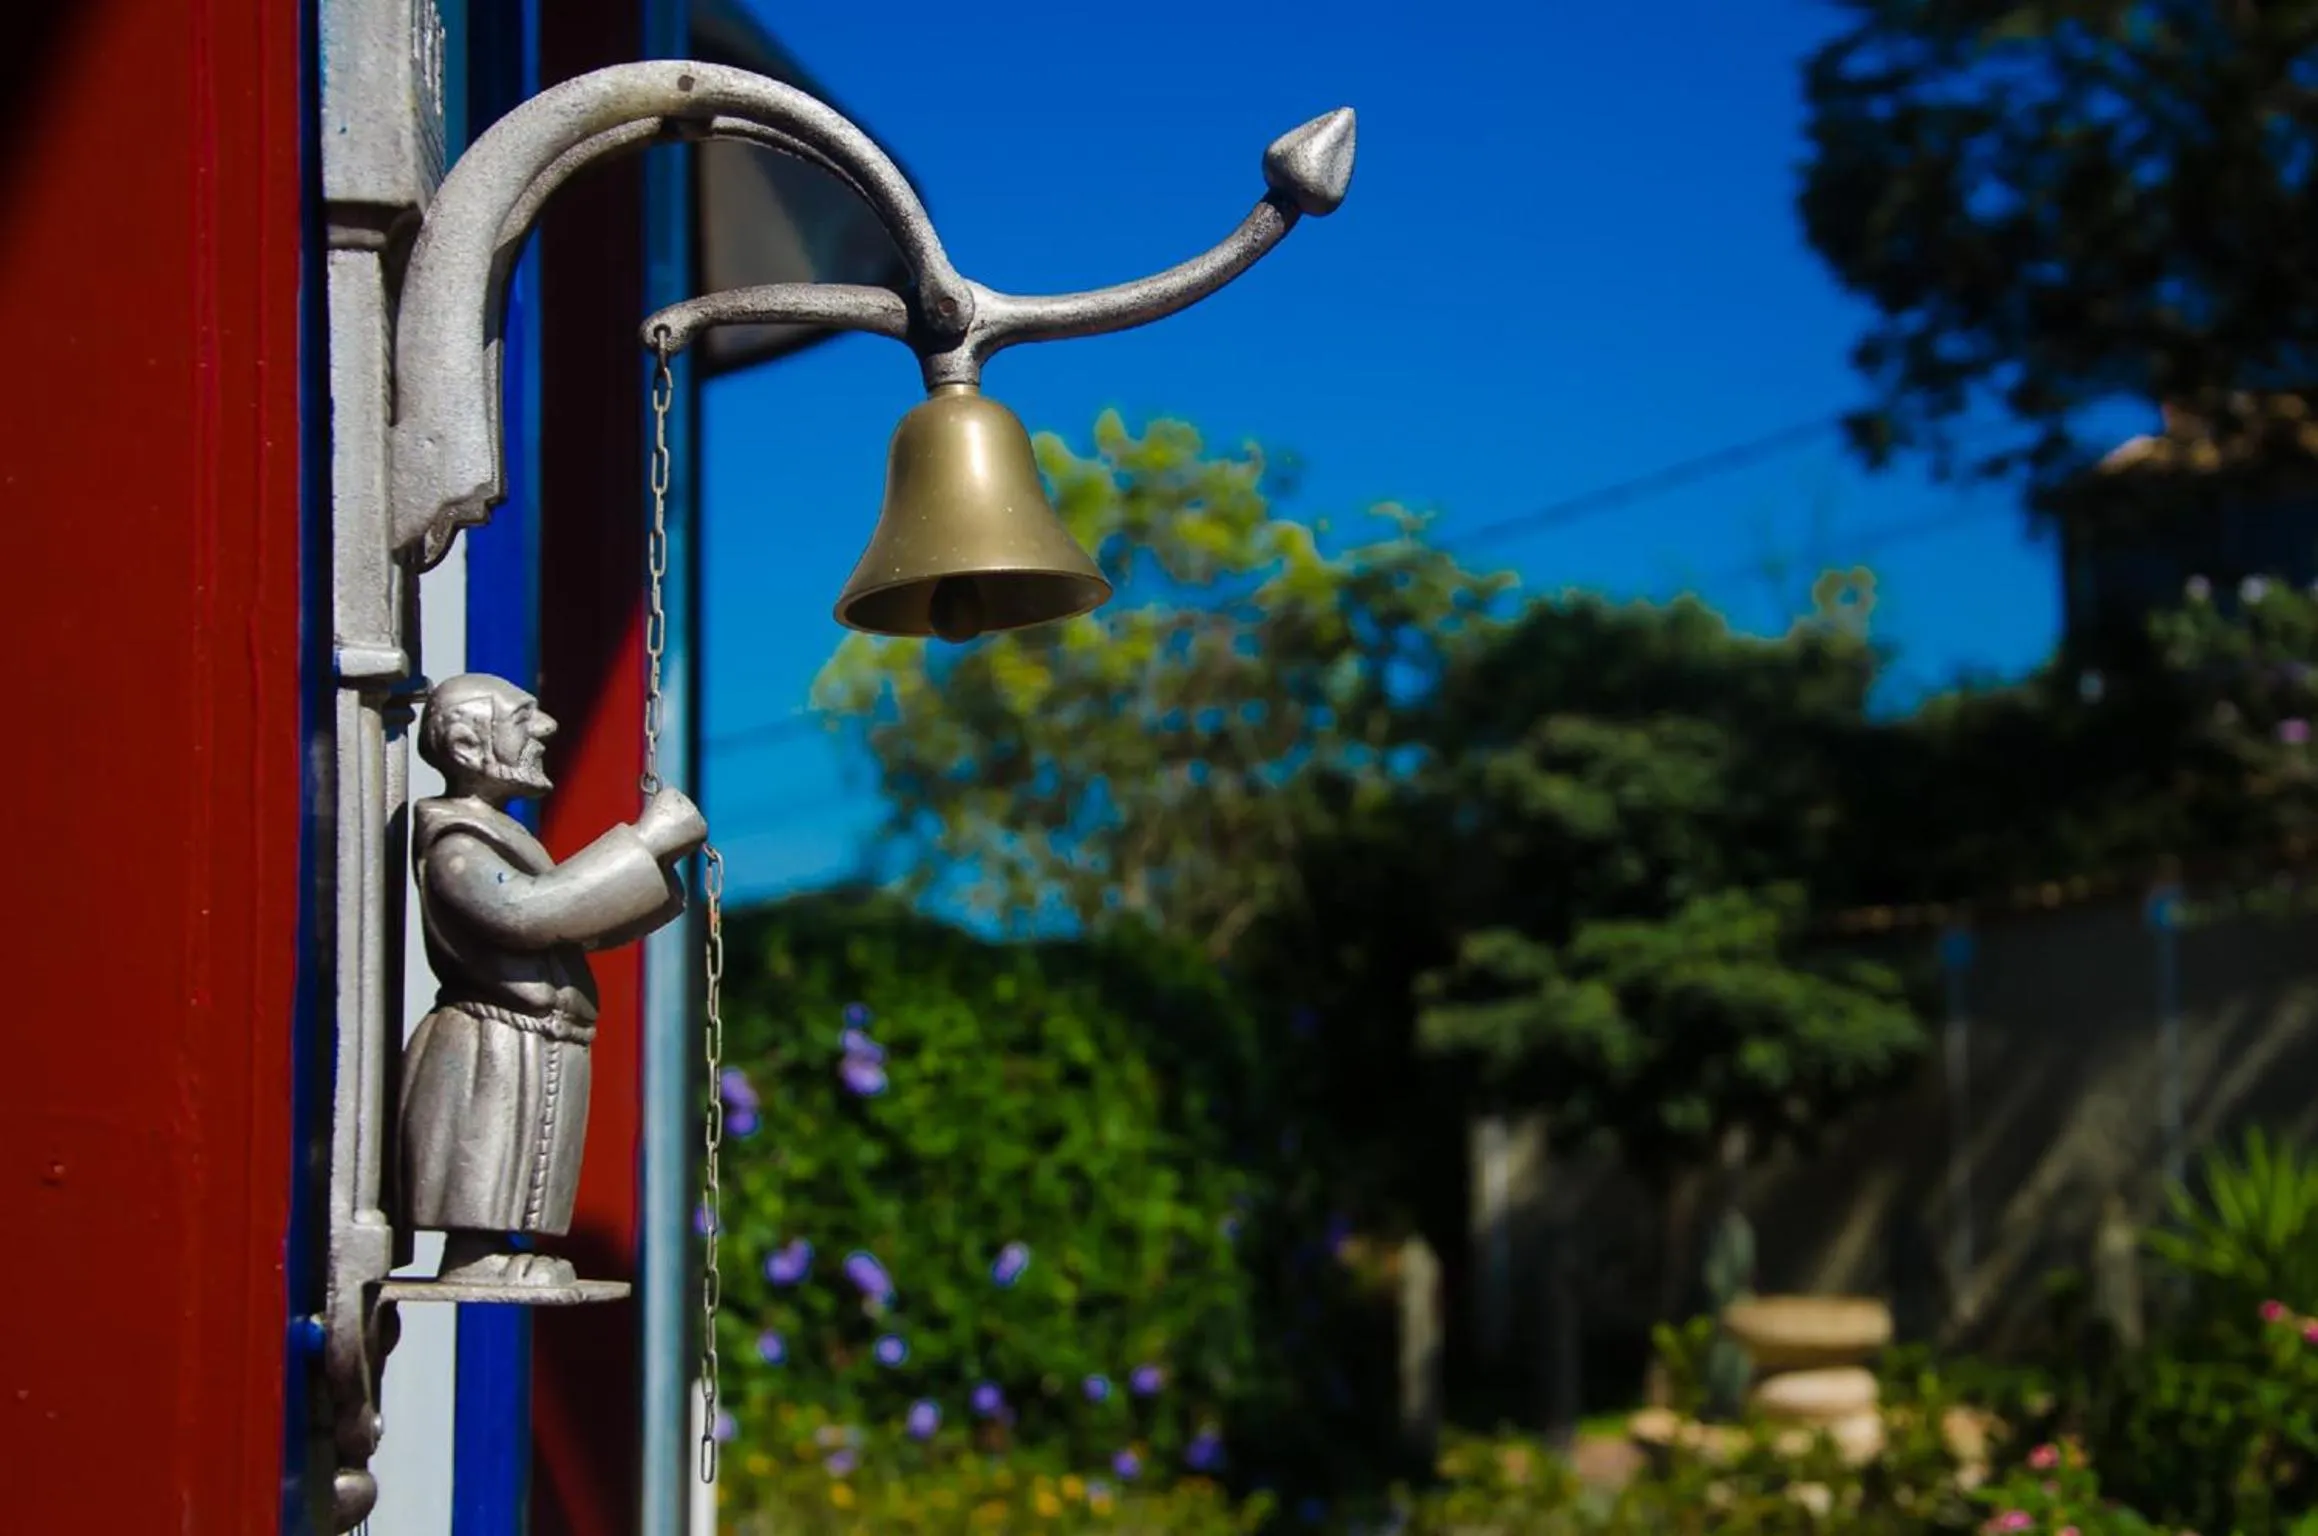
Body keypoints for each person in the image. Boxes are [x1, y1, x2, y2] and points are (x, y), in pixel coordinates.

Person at [398, 672, 708, 1287]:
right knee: (486, 1149)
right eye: (524, 719)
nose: (547, 728)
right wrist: (643, 843)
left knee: (519, 1160)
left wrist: (656, 861)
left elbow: (574, 926)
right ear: (467, 747)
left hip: (533, 1039)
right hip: (489, 1042)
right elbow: (531, 912)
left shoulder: (502, 834)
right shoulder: (456, 845)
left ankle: (495, 1248)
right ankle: (473, 1256)